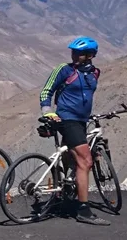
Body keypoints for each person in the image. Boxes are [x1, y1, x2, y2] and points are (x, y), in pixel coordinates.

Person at [40, 36, 109, 225]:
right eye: (73, 52)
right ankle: (83, 210)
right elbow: (47, 91)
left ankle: (64, 196)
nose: (74, 55)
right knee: (85, 161)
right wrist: (48, 112)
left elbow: (85, 96)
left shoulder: (95, 73)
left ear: (90, 55)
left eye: (78, 53)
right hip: (66, 119)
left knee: (71, 160)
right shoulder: (64, 70)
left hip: (81, 120)